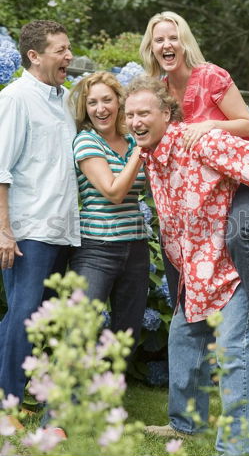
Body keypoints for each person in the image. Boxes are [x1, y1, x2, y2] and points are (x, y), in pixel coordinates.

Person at [123, 75, 249, 455]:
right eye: (130, 115)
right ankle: (185, 426)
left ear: (166, 113)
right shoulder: (149, 155)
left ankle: (234, 450)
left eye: (143, 112)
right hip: (196, 272)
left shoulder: (200, 141)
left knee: (230, 353)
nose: (135, 121)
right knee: (182, 340)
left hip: (233, 269)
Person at [140, 11, 249, 355]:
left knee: (240, 234)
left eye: (172, 37)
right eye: (158, 40)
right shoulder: (161, 92)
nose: (166, 44)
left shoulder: (209, 76)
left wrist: (209, 126)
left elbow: (247, 126)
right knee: (176, 241)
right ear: (150, 49)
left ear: (184, 42)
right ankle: (193, 325)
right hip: (218, 183)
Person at [0, 21, 80, 409]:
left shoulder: (65, 99)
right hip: (28, 228)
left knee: (34, 317)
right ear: (34, 56)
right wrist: (4, 232)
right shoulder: (16, 98)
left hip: (62, 228)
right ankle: (10, 401)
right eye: (61, 50)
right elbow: (0, 168)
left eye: (69, 48)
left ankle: (12, 388)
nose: (69, 56)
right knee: (25, 315)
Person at [68, 71, 149, 357]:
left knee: (126, 333)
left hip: (136, 247)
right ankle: (67, 400)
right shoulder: (87, 141)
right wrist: (142, 150)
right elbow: (113, 192)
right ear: (86, 108)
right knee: (82, 329)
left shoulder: (131, 143)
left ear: (119, 103)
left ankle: (111, 398)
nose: (100, 108)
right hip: (97, 249)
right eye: (92, 103)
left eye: (107, 100)